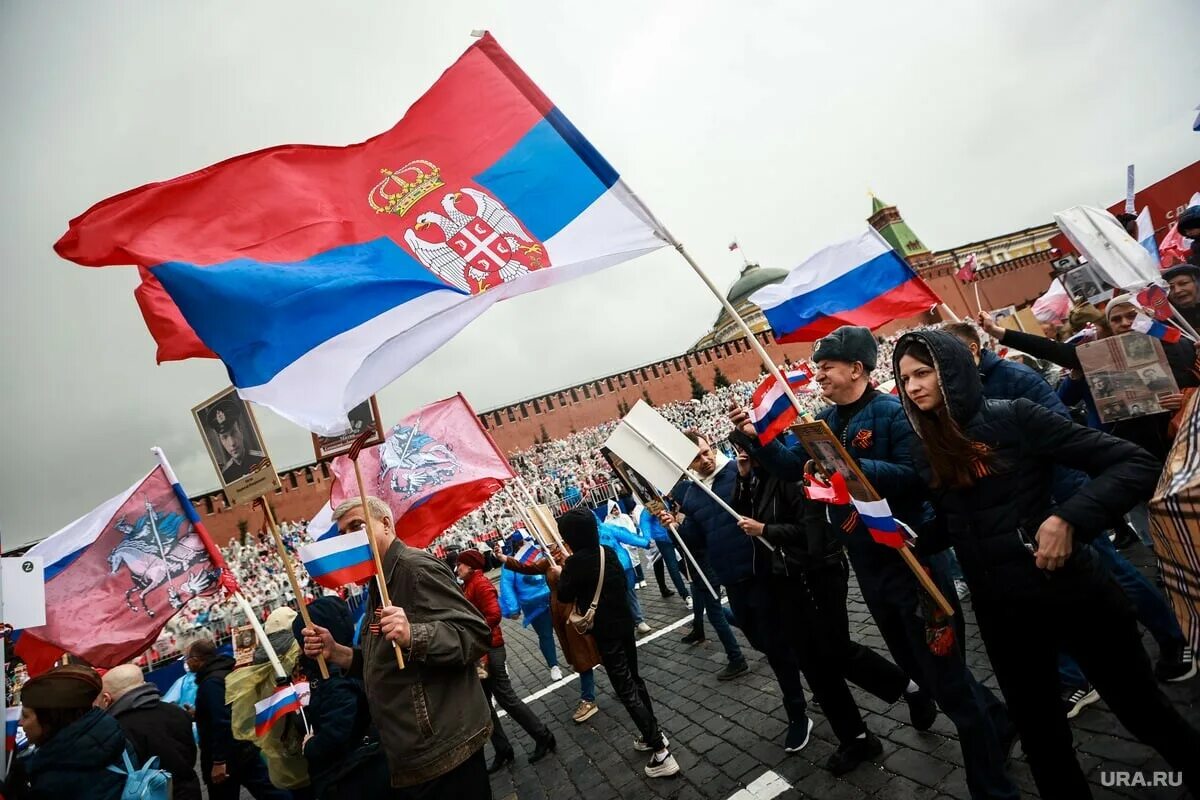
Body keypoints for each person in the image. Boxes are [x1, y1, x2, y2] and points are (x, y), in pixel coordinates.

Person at [892, 329, 1200, 798]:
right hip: (1003, 614)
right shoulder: (923, 446)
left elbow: (1133, 463)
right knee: (1042, 739)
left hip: (1071, 592)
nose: (913, 386)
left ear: (951, 371)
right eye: (904, 378)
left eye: (923, 372)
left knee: (1143, 711)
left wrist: (1068, 519)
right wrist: (905, 537)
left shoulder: (1014, 415)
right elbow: (959, 520)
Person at [730, 326, 1018, 800]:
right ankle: (999, 719)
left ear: (857, 369)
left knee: (947, 677)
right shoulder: (821, 420)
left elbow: (917, 478)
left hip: (910, 560)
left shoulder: (893, 412)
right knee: (921, 671)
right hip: (869, 564)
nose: (817, 373)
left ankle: (991, 785)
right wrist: (753, 439)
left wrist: (847, 467)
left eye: (826, 366)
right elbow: (789, 467)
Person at [945, 322, 1196, 696]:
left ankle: (1174, 637)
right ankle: (1082, 673)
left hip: (1061, 494)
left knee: (1114, 572)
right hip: (1026, 507)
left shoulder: (1012, 378)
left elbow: (1060, 432)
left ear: (969, 353)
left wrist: (1069, 510)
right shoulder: (962, 395)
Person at [729, 429, 918, 768]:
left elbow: (814, 534)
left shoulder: (792, 476)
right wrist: (743, 480)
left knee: (836, 650)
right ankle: (856, 738)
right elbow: (740, 516)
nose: (743, 456)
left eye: (748, 449)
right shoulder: (755, 479)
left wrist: (766, 531)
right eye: (739, 451)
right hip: (784, 579)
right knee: (811, 662)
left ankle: (908, 686)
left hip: (816, 575)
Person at [301, 495, 494, 797]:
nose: (348, 538)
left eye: (357, 525)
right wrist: (337, 652)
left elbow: (474, 633)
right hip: (413, 751)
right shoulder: (377, 583)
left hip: (444, 748)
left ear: (386, 524)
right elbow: (384, 657)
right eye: (343, 533)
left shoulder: (413, 569)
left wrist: (413, 635)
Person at [662, 430, 814, 749]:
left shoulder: (739, 471)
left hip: (763, 571)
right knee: (761, 640)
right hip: (733, 579)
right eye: (696, 457)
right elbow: (696, 542)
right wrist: (674, 528)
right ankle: (813, 678)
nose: (704, 459)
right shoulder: (690, 494)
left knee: (775, 644)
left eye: (706, 452)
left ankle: (798, 710)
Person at [556, 509, 680, 779]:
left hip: (607, 633)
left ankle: (661, 752)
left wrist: (564, 568)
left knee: (625, 688)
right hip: (624, 625)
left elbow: (565, 593)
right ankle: (653, 733)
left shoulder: (575, 564)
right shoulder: (606, 552)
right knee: (635, 680)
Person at [456, 548, 557, 772]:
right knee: (484, 702)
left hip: (489, 650)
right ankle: (502, 748)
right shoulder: (470, 584)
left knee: (505, 697)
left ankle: (542, 735)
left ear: (471, 566)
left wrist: (471, 630)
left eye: (461, 565)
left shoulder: (480, 584)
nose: (458, 568)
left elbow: (493, 614)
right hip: (481, 652)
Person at [493, 538, 604, 724]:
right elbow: (527, 568)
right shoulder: (549, 558)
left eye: (552, 543)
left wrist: (565, 572)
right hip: (557, 611)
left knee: (582, 653)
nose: (549, 546)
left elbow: (585, 579)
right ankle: (619, 680)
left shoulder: (572, 556)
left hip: (573, 611)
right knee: (578, 650)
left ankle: (589, 698)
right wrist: (503, 558)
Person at [290, 596, 392, 800]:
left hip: (353, 775)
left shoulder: (335, 680)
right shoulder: (349, 665)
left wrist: (311, 745)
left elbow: (337, 733)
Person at [5, 665, 136, 800]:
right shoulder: (114, 739)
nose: (20, 723)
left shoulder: (56, 781)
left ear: (49, 720)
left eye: (26, 716)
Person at [187, 637, 290, 800]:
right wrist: (199, 713)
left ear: (196, 660)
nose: (187, 664)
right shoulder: (224, 674)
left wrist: (219, 761)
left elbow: (222, 721)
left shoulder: (211, 683)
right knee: (271, 791)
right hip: (244, 747)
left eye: (188, 659)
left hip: (229, 757)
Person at [98, 663, 201, 800]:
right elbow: (190, 754)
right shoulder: (176, 711)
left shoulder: (115, 729)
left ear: (106, 699)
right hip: (189, 791)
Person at [499, 528, 563, 682]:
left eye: (526, 541)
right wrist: (513, 608)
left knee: (566, 629)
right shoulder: (510, 564)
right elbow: (506, 587)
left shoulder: (542, 554)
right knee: (545, 635)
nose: (525, 545)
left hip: (553, 596)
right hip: (533, 605)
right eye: (521, 543)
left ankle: (575, 655)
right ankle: (553, 665)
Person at [596, 512, 654, 634]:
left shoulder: (607, 528)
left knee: (629, 592)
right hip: (604, 571)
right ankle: (629, 623)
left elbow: (626, 536)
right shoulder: (585, 537)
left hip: (621, 565)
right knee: (616, 598)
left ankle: (638, 620)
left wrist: (645, 543)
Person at [634, 503, 693, 608]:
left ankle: (697, 586)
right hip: (663, 540)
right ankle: (686, 595)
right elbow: (645, 523)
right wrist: (647, 540)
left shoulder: (662, 500)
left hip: (675, 533)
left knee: (685, 562)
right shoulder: (648, 508)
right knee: (673, 566)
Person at [207, 397, 267, 483]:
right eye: (225, 437)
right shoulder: (225, 475)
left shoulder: (261, 460)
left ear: (241, 430)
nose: (232, 443)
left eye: (233, 433)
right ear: (220, 441)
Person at [1164, 261, 1200, 331]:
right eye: (1171, 288)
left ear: (1197, 284)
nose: (1177, 291)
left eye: (1183, 283)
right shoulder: (1170, 320)